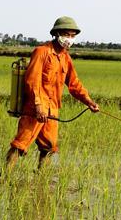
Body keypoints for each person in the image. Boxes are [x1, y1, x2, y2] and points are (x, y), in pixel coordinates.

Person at [6, 16, 99, 170]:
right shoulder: (42, 52)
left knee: (48, 147)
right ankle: (6, 174)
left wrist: (89, 102)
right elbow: (32, 80)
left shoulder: (65, 58)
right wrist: (38, 105)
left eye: (72, 36)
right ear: (57, 34)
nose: (69, 39)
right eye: (66, 35)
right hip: (35, 109)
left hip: (52, 109)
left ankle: (41, 177)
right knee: (20, 144)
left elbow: (74, 84)